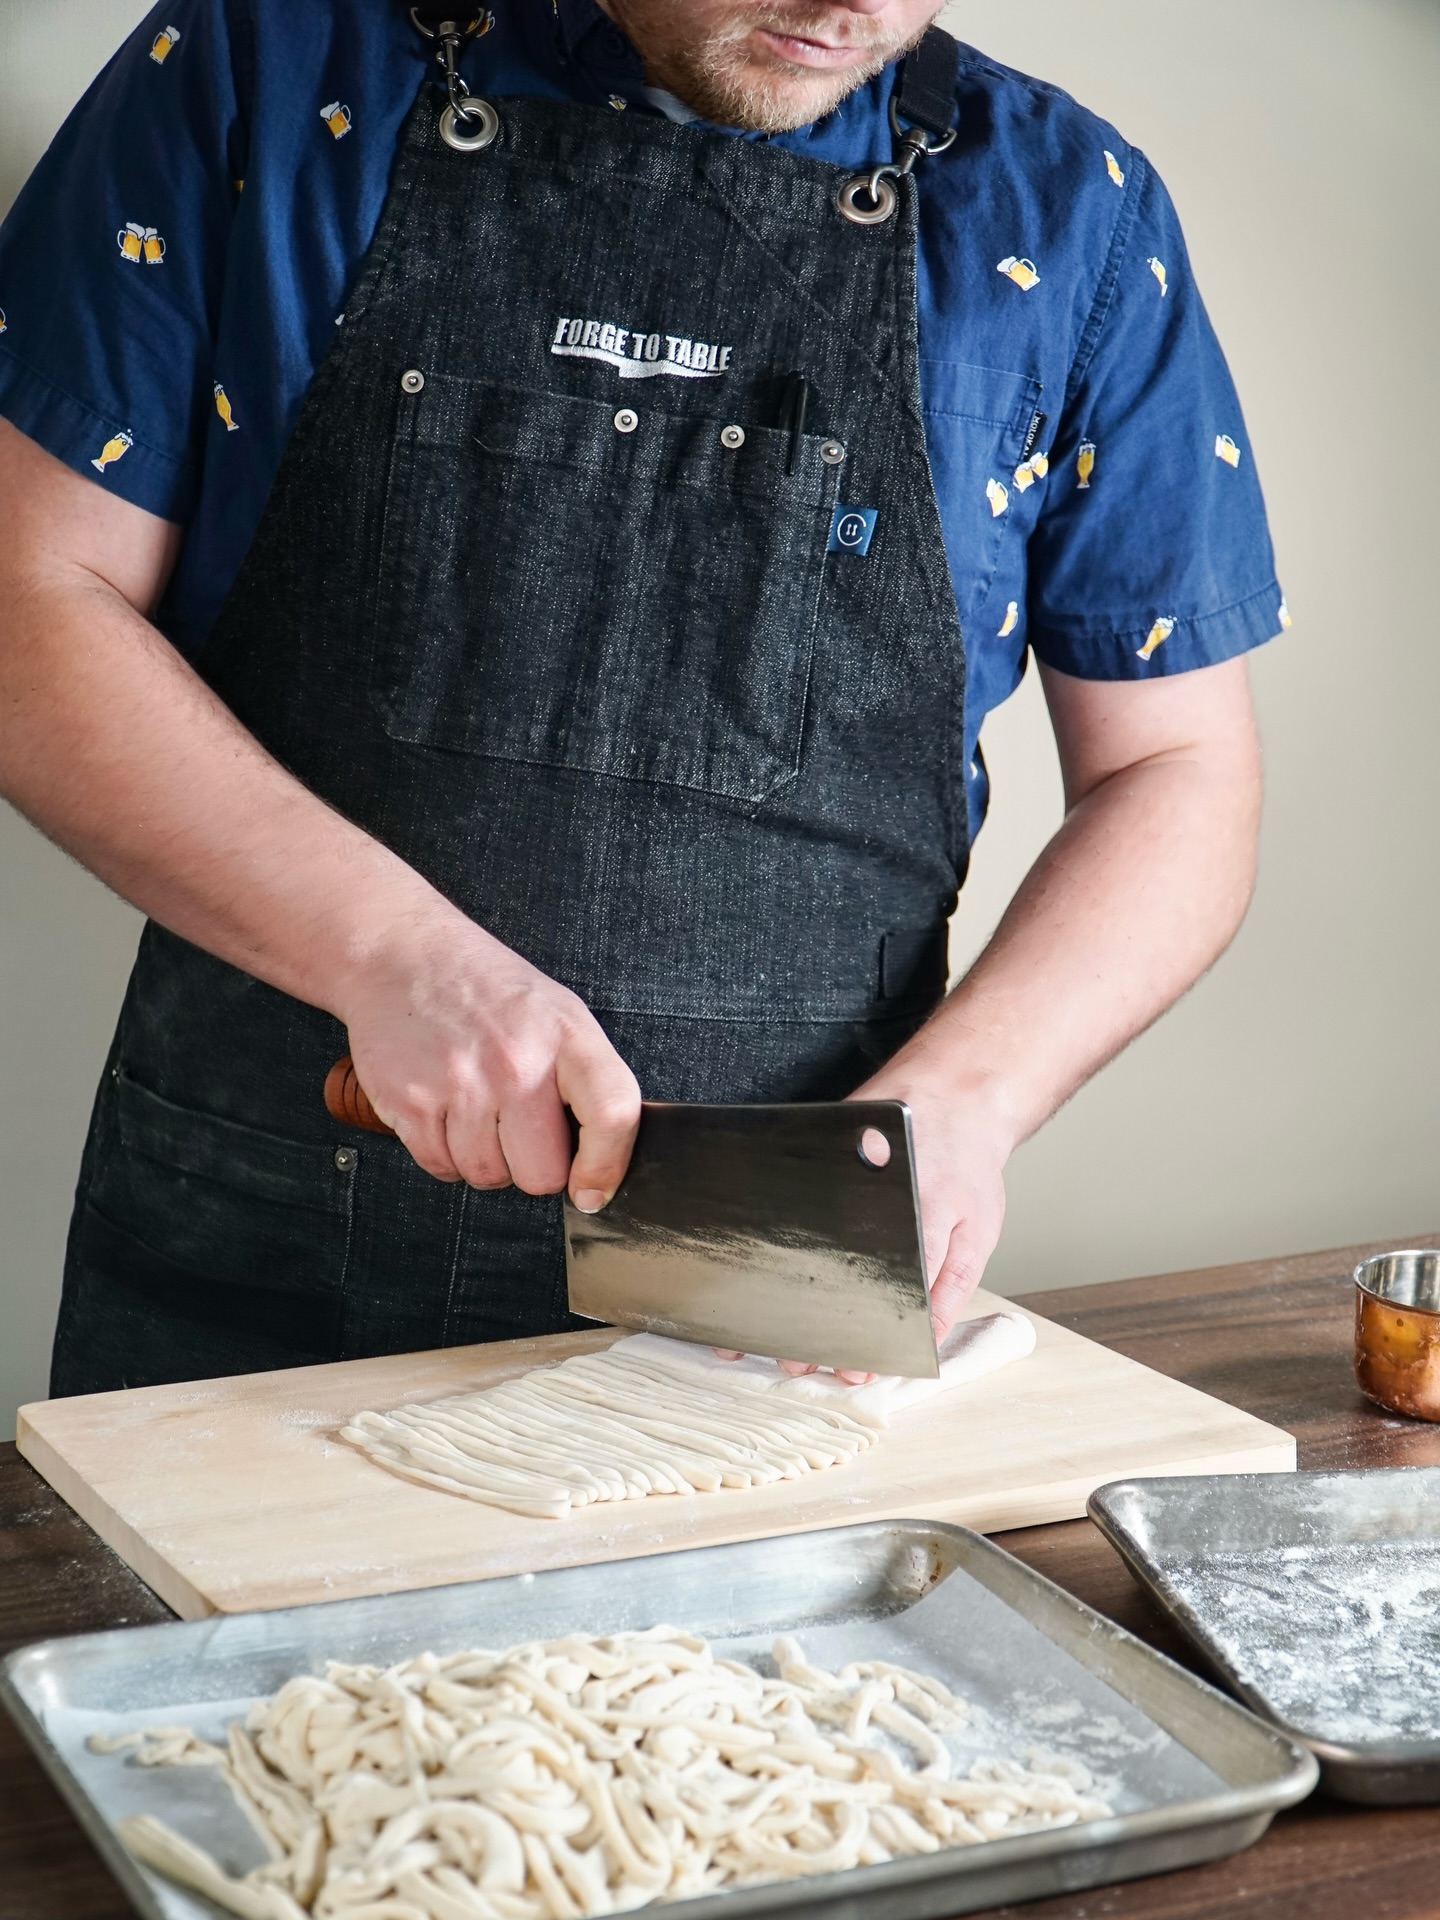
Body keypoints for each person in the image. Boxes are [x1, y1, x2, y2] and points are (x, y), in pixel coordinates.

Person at [0, 0, 1279, 1397]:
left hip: (780, 1302)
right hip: (254, 1244)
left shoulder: (1071, 216)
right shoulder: (263, 63)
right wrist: (392, 957)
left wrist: (970, 1102)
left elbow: (1177, 771)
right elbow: (28, 599)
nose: (848, 5)